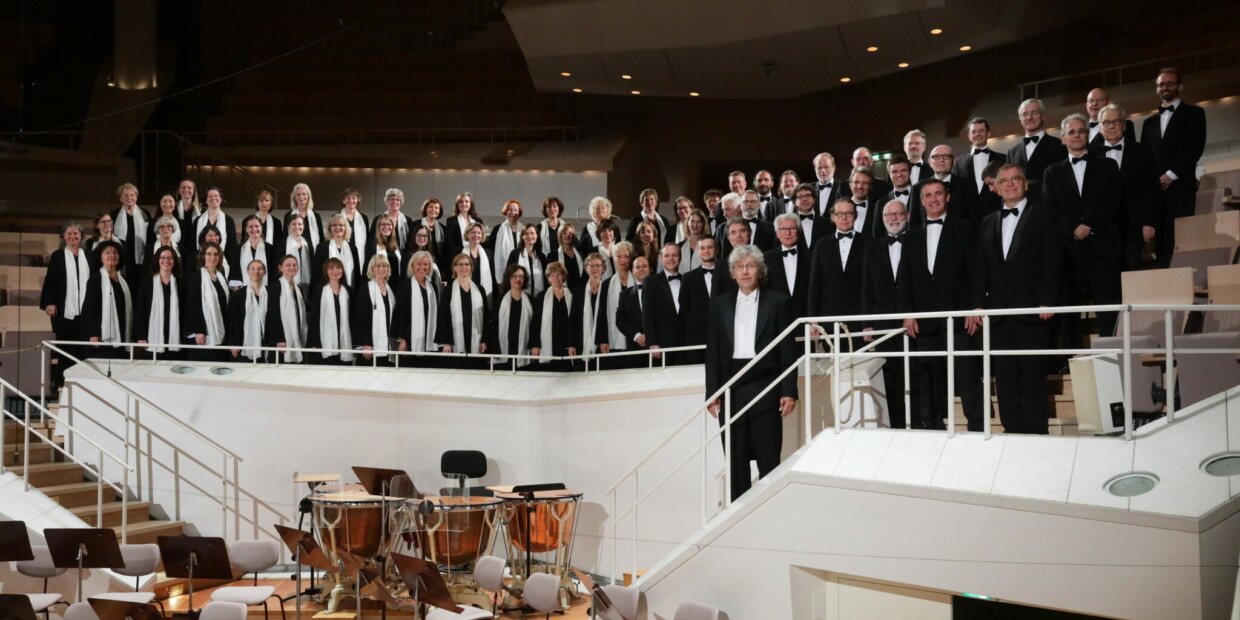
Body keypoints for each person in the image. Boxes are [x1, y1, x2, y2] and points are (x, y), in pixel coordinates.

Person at [971, 164, 1062, 434]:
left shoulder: (1044, 216)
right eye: (1004, 181)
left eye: (1015, 180)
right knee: (1005, 376)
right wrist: (977, 303)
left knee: (1033, 375)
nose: (1010, 184)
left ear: (1025, 184)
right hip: (997, 313)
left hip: (1033, 309)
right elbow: (981, 267)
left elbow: (1052, 262)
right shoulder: (987, 221)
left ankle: (1035, 429)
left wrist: (1047, 300)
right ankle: (1011, 429)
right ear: (996, 187)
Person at [705, 245, 797, 501]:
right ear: (732, 273)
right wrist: (712, 392)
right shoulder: (719, 304)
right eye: (739, 266)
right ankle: (738, 514)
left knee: (768, 455)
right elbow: (712, 352)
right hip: (731, 386)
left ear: (760, 270)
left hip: (766, 384)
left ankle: (770, 508)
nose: (745, 271)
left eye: (751, 265)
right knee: (735, 458)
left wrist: (789, 390)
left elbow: (788, 350)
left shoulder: (778, 301)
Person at [900, 179, 988, 431]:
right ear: (921, 201)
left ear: (947, 197)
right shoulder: (911, 235)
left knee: (968, 374)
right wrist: (908, 315)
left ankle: (978, 427)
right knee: (928, 376)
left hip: (960, 316)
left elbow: (976, 271)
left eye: (938, 194)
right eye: (928, 195)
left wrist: (976, 307)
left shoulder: (966, 229)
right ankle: (931, 426)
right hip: (925, 319)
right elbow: (905, 279)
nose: (934, 199)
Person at [1043, 113, 1123, 342]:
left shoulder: (1108, 165)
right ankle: (1071, 359)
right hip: (1069, 249)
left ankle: (1112, 353)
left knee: (1107, 305)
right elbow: (1051, 208)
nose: (1077, 135)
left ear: (1088, 135)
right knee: (1069, 306)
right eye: (1072, 132)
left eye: (1081, 131)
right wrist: (1072, 229)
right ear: (1063, 138)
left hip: (1103, 245)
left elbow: (1114, 201)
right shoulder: (1052, 172)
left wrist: (1090, 226)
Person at [1141, 66, 1207, 268]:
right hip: (1155, 191)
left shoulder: (1195, 113)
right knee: (1160, 241)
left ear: (1180, 85)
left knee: (1180, 239)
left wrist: (1171, 175)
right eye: (1161, 84)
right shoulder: (1148, 122)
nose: (1165, 87)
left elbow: (1194, 148)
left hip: (1180, 187)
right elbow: (1144, 157)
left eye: (1169, 83)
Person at [860, 200, 915, 428]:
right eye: (888, 215)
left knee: (917, 373)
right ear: (882, 219)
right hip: (883, 322)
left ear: (907, 216)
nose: (893, 218)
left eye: (897, 214)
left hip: (912, 321)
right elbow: (866, 286)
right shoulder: (873, 247)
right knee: (890, 377)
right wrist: (868, 322)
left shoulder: (918, 241)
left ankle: (923, 423)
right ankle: (896, 426)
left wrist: (913, 313)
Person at [1092, 102, 1159, 272]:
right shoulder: (1091, 156)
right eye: (1107, 122)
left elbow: (1151, 189)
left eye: (1116, 121)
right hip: (1103, 230)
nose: (1112, 126)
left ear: (1123, 125)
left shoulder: (1141, 150)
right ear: (1100, 127)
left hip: (1133, 226)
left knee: (1133, 274)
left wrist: (1149, 222)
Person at [808, 198, 870, 335]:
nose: (845, 218)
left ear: (855, 216)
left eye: (849, 213)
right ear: (833, 217)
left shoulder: (869, 243)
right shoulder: (821, 244)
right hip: (828, 320)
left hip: (860, 320)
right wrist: (813, 320)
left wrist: (868, 322)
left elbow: (873, 285)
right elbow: (815, 284)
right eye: (840, 214)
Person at [40, 222, 92, 386]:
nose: (72, 237)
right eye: (69, 234)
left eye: (76, 233)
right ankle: (63, 382)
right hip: (64, 311)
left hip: (86, 311)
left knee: (83, 349)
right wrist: (49, 303)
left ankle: (82, 382)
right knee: (65, 348)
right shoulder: (58, 256)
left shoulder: (90, 256)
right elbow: (51, 282)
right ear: (64, 237)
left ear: (81, 236)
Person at [81, 240, 134, 359]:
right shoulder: (95, 279)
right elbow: (90, 309)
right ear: (100, 257)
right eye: (107, 253)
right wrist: (93, 334)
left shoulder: (123, 280)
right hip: (102, 336)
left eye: (115, 253)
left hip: (122, 332)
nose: (112, 256)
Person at [437, 252, 491, 369]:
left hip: (476, 338)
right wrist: (446, 343)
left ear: (471, 267)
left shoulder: (479, 289)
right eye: (460, 264)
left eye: (467, 264)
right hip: (455, 340)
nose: (464, 267)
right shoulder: (449, 290)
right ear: (454, 267)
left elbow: (486, 317)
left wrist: (484, 340)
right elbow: (443, 317)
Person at [1006, 99, 1067, 201]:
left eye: (1034, 113)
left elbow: (1063, 181)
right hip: (1022, 210)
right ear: (1020, 119)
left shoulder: (1060, 146)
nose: (1029, 117)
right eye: (1025, 114)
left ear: (1043, 116)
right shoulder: (1012, 152)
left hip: (1049, 207)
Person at [951, 118, 1007, 224]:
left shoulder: (1003, 159)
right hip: (968, 217)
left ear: (988, 133)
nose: (978, 134)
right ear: (969, 136)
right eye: (974, 132)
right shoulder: (959, 162)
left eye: (981, 131)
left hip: (997, 213)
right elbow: (956, 191)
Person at [183, 242, 230, 361]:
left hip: (220, 330)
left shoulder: (221, 277)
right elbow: (193, 306)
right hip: (203, 333)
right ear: (202, 256)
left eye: (215, 254)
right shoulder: (195, 277)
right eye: (208, 254)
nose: (212, 258)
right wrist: (199, 330)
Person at [134, 245, 184, 360]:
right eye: (163, 257)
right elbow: (140, 310)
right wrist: (141, 336)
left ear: (174, 261)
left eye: (170, 258)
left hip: (175, 338)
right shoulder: (147, 282)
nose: (166, 261)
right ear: (157, 260)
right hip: (152, 338)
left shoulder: (181, 283)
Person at [353, 254, 402, 366]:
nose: (381, 269)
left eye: (384, 266)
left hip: (389, 345)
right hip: (370, 347)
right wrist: (366, 343)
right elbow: (361, 319)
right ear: (372, 269)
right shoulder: (365, 289)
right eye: (378, 266)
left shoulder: (390, 290)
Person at [394, 251, 440, 367]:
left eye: (425, 264)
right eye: (418, 264)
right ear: (412, 266)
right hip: (410, 342)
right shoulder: (405, 287)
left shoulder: (432, 287)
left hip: (429, 341)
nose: (422, 267)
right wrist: (402, 340)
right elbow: (400, 315)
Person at [680, 236, 721, 365]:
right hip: (696, 338)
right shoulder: (688, 278)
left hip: (723, 336)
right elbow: (684, 309)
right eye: (702, 248)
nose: (706, 251)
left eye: (710, 247)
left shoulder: (728, 274)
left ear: (717, 250)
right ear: (697, 251)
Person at [643, 243, 686, 364]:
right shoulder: (651, 282)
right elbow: (648, 314)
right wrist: (652, 342)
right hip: (662, 345)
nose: (671, 259)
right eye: (667, 256)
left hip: (685, 344)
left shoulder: (687, 280)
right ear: (661, 259)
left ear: (680, 258)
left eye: (674, 255)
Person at [308, 257, 354, 366]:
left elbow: (353, 318)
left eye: (338, 268)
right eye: (331, 268)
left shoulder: (349, 291)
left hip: (344, 342)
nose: (335, 271)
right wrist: (314, 342)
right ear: (326, 271)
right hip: (324, 342)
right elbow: (314, 318)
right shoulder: (319, 291)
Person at [531, 261, 577, 371]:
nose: (556, 278)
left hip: (566, 344)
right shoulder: (542, 296)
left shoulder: (572, 295)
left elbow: (575, 322)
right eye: (552, 275)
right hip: (547, 343)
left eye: (559, 274)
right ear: (548, 279)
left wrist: (572, 344)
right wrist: (535, 345)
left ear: (564, 277)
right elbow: (536, 322)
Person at [488, 264, 535, 370]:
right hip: (503, 350)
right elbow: (494, 326)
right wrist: (495, 349)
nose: (518, 279)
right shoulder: (499, 301)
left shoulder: (532, 301)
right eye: (514, 276)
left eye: (521, 276)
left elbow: (534, 327)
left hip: (524, 349)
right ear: (508, 278)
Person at [764, 213, 811, 319]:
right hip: (776, 317)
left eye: (792, 228)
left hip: (805, 318)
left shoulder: (811, 256)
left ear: (799, 231)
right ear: (777, 233)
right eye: (783, 229)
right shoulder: (766, 258)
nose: (788, 233)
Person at [908, 146, 966, 228]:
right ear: (929, 161)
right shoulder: (918, 187)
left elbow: (975, 221)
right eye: (936, 157)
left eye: (946, 156)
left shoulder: (968, 185)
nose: (941, 160)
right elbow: (914, 223)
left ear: (954, 161)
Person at [600, 241, 637, 368]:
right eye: (619, 256)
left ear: (631, 258)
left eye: (626, 256)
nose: (623, 260)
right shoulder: (606, 285)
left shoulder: (640, 281)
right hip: (614, 339)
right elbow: (602, 314)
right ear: (614, 259)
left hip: (636, 338)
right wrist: (603, 339)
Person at [226, 260, 271, 362]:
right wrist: (233, 342)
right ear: (247, 272)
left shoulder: (271, 293)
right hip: (243, 343)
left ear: (265, 272)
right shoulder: (237, 295)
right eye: (253, 269)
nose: (256, 271)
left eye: (260, 269)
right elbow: (233, 321)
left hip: (266, 343)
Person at [268, 255, 309, 364]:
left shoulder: (298, 288)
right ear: (280, 268)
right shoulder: (275, 287)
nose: (292, 267)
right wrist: (280, 339)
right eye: (288, 265)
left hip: (297, 333)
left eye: (295, 265)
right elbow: (273, 315)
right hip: (281, 340)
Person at [111, 183, 150, 289]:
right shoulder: (113, 214)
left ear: (136, 197)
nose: (129, 198)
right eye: (126, 195)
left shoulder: (145, 214)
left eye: (132, 195)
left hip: (140, 258)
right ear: (121, 198)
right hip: (123, 255)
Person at [573, 253, 609, 365]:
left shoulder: (608, 290)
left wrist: (604, 340)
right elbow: (573, 319)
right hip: (581, 341)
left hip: (603, 343)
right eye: (591, 265)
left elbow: (609, 319)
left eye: (598, 265)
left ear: (603, 268)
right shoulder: (578, 291)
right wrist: (571, 344)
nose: (595, 268)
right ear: (586, 268)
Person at [313, 214, 363, 288]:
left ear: (346, 228)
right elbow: (316, 273)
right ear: (330, 229)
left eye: (341, 225)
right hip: (326, 289)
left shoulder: (353, 248)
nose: (338, 227)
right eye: (334, 225)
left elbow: (357, 274)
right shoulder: (321, 247)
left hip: (349, 290)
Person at [616, 255, 651, 360]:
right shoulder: (624, 295)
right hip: (635, 349)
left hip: (658, 347)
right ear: (633, 270)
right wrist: (636, 336)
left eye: (644, 266)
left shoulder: (661, 291)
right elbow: (620, 320)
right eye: (638, 267)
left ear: (651, 269)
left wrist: (649, 334)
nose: (641, 269)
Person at [231, 215, 278, 284]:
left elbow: (274, 273)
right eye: (251, 227)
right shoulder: (239, 249)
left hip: (266, 290)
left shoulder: (271, 249)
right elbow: (235, 272)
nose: (254, 229)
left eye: (257, 226)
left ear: (261, 228)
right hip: (244, 290)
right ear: (246, 229)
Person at [507, 223, 547, 297]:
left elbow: (546, 280)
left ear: (537, 236)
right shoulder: (515, 254)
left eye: (532, 233)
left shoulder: (542, 257)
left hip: (539, 297)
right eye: (526, 234)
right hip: (518, 296)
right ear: (522, 236)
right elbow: (508, 276)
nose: (530, 236)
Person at [194, 187, 237, 253]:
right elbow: (193, 244)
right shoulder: (197, 220)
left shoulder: (229, 220)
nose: (213, 198)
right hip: (201, 258)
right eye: (210, 196)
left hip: (223, 258)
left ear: (220, 199)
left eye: (216, 196)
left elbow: (232, 245)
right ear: (206, 200)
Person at [366, 213, 406, 283]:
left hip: (396, 285)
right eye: (383, 224)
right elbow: (367, 268)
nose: (386, 227)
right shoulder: (373, 245)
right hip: (379, 285)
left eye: (389, 224)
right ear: (378, 227)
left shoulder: (396, 245)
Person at [285, 183, 324, 252]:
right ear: (294, 197)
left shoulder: (316, 216)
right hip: (293, 251)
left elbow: (321, 239)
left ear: (308, 196)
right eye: (298, 194)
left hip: (313, 252)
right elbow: (285, 237)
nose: (301, 197)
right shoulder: (289, 215)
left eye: (304, 194)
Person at [443, 192, 482, 262]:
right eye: (461, 202)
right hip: (458, 256)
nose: (464, 204)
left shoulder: (478, 221)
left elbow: (481, 240)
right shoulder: (451, 221)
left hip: (476, 255)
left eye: (466, 201)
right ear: (457, 205)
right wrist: (459, 254)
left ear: (470, 204)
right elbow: (449, 241)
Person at [843, 169, 881, 237]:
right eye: (856, 182)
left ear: (870, 187)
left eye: (865, 183)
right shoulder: (839, 208)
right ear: (850, 185)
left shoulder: (877, 210)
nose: (860, 186)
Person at [146, 193, 183, 260]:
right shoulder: (153, 223)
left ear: (175, 205)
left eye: (170, 201)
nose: (167, 204)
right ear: (160, 204)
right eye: (164, 201)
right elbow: (150, 242)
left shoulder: (182, 223)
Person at [283, 214, 313, 295]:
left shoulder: (308, 244)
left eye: (300, 224)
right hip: (286, 284)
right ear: (289, 226)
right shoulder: (282, 244)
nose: (297, 226)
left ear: (303, 226)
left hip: (306, 284)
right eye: (293, 224)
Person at [463, 222, 495, 298]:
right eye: (473, 233)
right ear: (467, 234)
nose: (476, 235)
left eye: (479, 233)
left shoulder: (489, 254)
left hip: (483, 292)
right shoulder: (458, 252)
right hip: (465, 291)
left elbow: (492, 276)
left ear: (482, 235)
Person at [408, 224, 443, 289]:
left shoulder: (433, 255)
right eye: (419, 235)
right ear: (414, 236)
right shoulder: (407, 255)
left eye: (424, 236)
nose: (422, 238)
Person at [552, 223, 584, 291]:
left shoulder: (580, 255)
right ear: (560, 236)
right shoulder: (553, 255)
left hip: (579, 291)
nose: (567, 235)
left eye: (570, 233)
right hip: (561, 291)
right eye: (564, 233)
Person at [811, 153, 843, 218]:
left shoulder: (844, 187)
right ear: (815, 170)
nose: (823, 171)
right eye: (819, 168)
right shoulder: (809, 189)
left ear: (834, 168)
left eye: (826, 167)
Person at [339, 188, 370, 252]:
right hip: (342, 252)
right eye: (347, 198)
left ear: (358, 200)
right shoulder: (336, 217)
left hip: (359, 253)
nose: (351, 200)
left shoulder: (364, 218)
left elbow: (367, 239)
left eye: (353, 198)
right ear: (343, 201)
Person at [419, 197, 447, 261]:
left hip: (439, 264)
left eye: (436, 208)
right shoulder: (416, 225)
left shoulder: (443, 229)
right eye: (431, 207)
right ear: (426, 209)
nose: (433, 209)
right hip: (420, 261)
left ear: (439, 211)